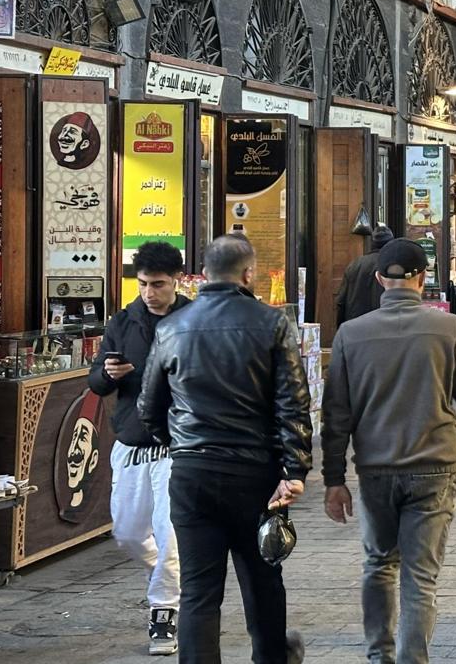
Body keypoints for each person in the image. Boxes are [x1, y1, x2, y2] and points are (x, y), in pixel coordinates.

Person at [321, 238, 456, 664]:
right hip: (434, 465)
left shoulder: (351, 334)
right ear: (424, 279)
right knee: (420, 579)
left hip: (375, 468)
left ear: (380, 279)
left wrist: (333, 480)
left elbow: (335, 415)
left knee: (379, 564)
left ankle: (379, 655)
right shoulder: (450, 329)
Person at [138, 235, 312, 664]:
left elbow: (149, 408)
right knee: (262, 579)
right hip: (257, 475)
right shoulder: (271, 324)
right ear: (248, 274)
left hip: (193, 474)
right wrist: (295, 470)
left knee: (198, 590)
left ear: (202, 277)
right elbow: (293, 403)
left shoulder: (171, 328)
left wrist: (180, 445)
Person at [87, 241, 191, 656]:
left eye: (158, 284)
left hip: (178, 445)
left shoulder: (192, 319)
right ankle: (175, 579)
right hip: (130, 441)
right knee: (128, 533)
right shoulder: (123, 321)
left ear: (176, 280)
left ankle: (163, 611)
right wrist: (109, 374)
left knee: (169, 536)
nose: (149, 292)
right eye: (144, 284)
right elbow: (94, 381)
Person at [335, 225, 395, 326]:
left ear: (372, 244)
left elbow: (341, 302)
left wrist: (341, 329)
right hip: (383, 325)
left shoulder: (355, 264)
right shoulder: (393, 266)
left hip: (355, 324)